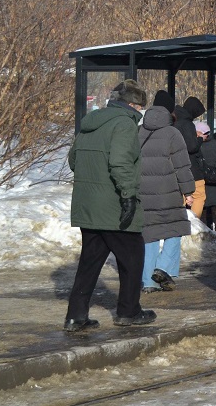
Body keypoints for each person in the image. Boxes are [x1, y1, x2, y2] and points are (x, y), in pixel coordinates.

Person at [64, 78, 155, 333]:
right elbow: (120, 162)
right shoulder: (124, 125)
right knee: (133, 258)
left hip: (88, 205)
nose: (140, 114)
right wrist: (127, 195)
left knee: (90, 262)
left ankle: (75, 315)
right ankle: (128, 312)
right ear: (133, 105)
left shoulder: (90, 124)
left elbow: (73, 160)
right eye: (140, 109)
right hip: (114, 205)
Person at [138, 91, 194, 294]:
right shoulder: (172, 133)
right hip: (169, 191)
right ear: (170, 111)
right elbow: (182, 166)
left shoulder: (139, 131)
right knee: (175, 230)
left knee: (150, 235)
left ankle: (148, 282)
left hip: (143, 193)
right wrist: (188, 191)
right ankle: (162, 268)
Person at [173, 97, 206, 218]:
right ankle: (194, 227)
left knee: (179, 197)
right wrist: (200, 139)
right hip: (191, 169)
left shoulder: (174, 120)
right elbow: (191, 147)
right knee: (199, 196)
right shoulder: (187, 123)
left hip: (175, 167)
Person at [196, 121, 216, 235]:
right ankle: (215, 233)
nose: (206, 135)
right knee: (213, 210)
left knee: (207, 210)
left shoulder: (197, 144)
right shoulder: (214, 143)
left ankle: (210, 233)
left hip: (204, 181)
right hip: (213, 181)